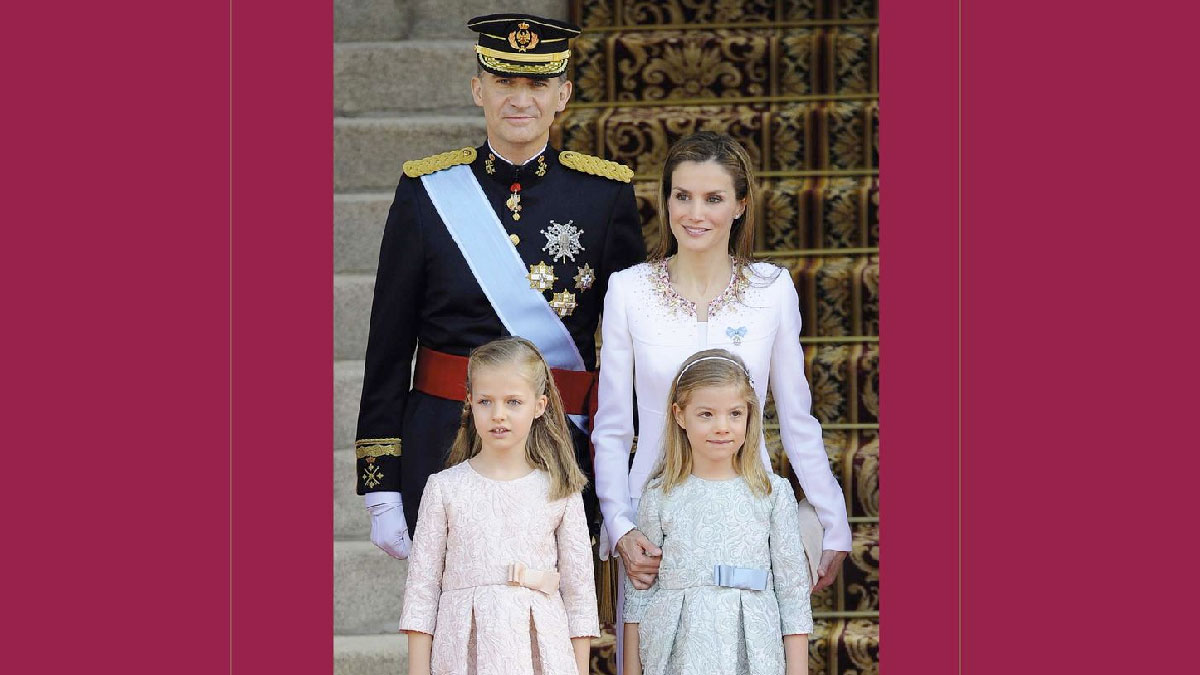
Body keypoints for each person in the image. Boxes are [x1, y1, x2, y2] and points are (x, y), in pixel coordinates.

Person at [354, 13, 645, 559]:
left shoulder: (604, 196)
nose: (520, 99)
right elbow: (388, 344)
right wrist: (381, 482)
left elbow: (630, 349)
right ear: (477, 90)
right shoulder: (426, 192)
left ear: (563, 95)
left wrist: (622, 484)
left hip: (560, 444)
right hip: (444, 444)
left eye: (537, 84)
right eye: (504, 81)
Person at [591, 132, 851, 671]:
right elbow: (613, 426)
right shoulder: (628, 290)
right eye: (682, 196)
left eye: (713, 198)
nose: (695, 213)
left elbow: (797, 418)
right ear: (665, 200)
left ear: (740, 205)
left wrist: (833, 518)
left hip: (748, 512)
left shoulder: (771, 289)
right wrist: (620, 525)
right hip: (652, 521)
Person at [400, 337, 599, 675]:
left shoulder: (561, 490)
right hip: (461, 655)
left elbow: (580, 596)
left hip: (542, 654)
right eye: (485, 401)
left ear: (539, 406)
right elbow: (421, 592)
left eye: (513, 402)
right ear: (470, 403)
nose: (498, 415)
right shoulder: (444, 488)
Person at [623, 350, 811, 675]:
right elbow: (638, 596)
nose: (722, 427)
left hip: (753, 650)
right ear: (680, 416)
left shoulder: (772, 494)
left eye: (735, 413)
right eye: (706, 414)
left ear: (750, 415)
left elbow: (793, 596)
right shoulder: (660, 494)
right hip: (678, 652)